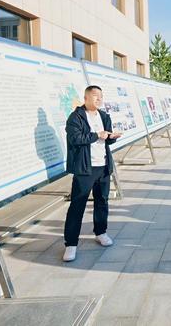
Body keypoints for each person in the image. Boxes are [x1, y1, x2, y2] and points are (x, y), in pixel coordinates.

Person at [63, 85, 122, 262]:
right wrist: (97, 135)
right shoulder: (76, 117)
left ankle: (101, 232)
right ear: (86, 98)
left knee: (102, 201)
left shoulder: (104, 116)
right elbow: (75, 138)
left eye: (101, 97)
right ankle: (71, 244)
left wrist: (111, 137)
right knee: (77, 206)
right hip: (85, 169)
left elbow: (106, 142)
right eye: (95, 96)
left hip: (103, 166)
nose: (99, 99)